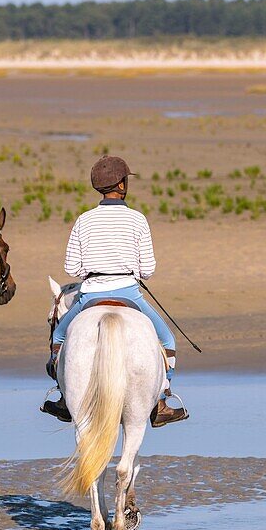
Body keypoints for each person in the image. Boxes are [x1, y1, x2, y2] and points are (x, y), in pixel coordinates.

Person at [44, 155, 188, 427]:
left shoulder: (84, 220)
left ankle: (64, 397)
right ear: (122, 185)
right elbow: (148, 270)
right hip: (129, 293)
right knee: (168, 340)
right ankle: (161, 401)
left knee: (60, 337)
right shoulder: (137, 219)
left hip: (90, 294)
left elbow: (72, 267)